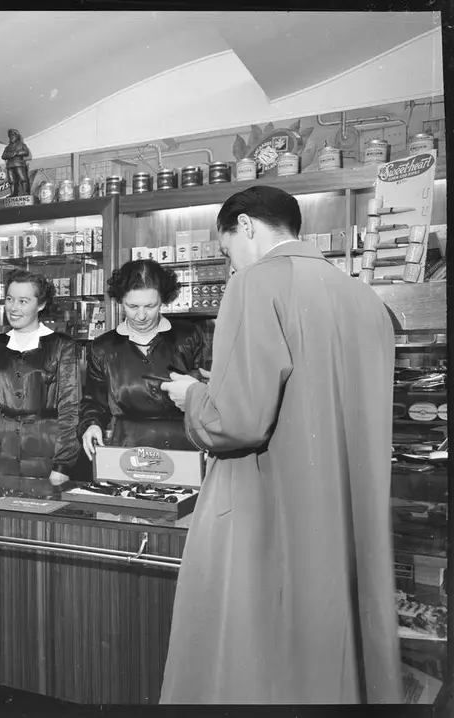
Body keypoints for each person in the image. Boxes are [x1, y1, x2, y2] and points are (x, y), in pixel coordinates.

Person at [158, 186, 400, 704]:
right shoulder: (362, 296)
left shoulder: (254, 283)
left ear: (245, 226)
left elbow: (236, 422)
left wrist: (194, 395)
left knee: (254, 650)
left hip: (269, 504)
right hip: (342, 503)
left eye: (226, 251)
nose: (229, 266)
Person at [79, 259, 205, 459]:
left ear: (163, 300)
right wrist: (92, 424)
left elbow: (209, 392)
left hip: (184, 447)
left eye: (150, 306)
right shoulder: (103, 347)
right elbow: (94, 402)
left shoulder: (188, 336)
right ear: (120, 301)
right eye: (132, 306)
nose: (141, 315)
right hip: (127, 448)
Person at [0, 269, 80, 486]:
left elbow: (69, 407)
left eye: (23, 301)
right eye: (9, 299)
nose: (13, 308)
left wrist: (62, 464)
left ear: (41, 305)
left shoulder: (62, 345)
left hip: (46, 454)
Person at [1, 129, 32, 197]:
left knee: (23, 179)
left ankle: (26, 193)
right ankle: (13, 194)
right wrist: (10, 154)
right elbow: (3, 156)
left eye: (13, 135)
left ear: (17, 136)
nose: (11, 137)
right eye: (10, 136)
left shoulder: (21, 145)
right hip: (10, 166)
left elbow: (26, 152)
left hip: (19, 164)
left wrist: (16, 153)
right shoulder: (7, 147)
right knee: (11, 181)